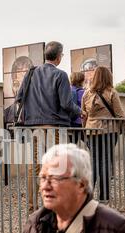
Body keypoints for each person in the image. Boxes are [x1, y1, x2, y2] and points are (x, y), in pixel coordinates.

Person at [15, 41, 80, 213]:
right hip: (55, 128)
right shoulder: (61, 75)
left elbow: (19, 97)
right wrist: (80, 112)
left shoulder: (31, 73)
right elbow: (67, 103)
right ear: (59, 57)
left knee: (34, 166)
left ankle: (32, 206)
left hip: (33, 128)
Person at [81, 66, 125, 202]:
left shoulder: (87, 94)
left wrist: (85, 130)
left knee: (94, 162)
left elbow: (84, 114)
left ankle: (88, 196)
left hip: (91, 131)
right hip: (109, 131)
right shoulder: (112, 92)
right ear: (108, 77)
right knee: (106, 162)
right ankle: (104, 197)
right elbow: (120, 114)